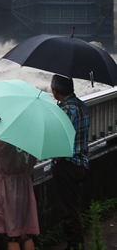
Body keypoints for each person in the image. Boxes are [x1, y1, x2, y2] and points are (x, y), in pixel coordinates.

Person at [50, 74, 90, 250]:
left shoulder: (65, 111)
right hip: (81, 163)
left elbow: (60, 144)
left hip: (67, 166)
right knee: (73, 206)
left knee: (68, 211)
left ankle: (75, 245)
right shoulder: (81, 106)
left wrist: (56, 158)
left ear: (55, 91)